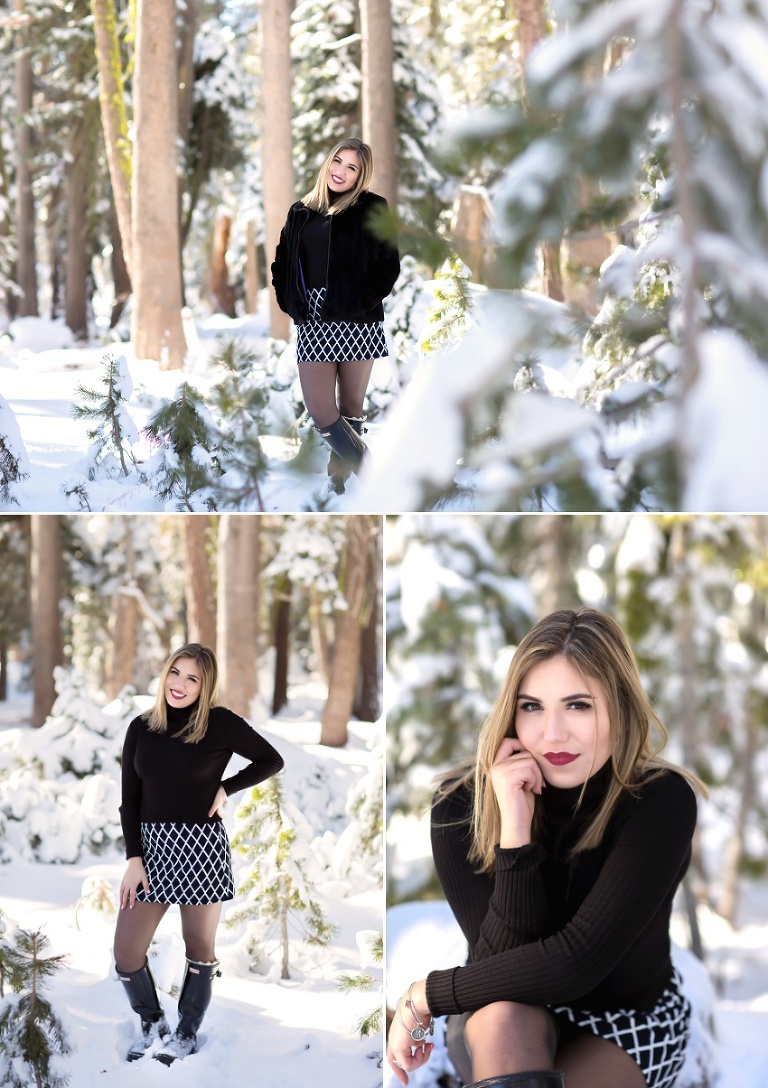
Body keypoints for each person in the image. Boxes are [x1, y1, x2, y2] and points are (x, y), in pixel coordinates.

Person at [387, 608, 707, 1088]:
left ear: (618, 708)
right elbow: (497, 966)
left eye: (578, 705)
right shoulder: (462, 806)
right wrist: (515, 829)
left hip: (629, 1019)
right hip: (504, 1011)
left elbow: (577, 961)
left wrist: (425, 995)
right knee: (501, 1020)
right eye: (532, 706)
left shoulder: (658, 800)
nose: (552, 734)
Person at [114, 643, 284, 1065]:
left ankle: (186, 1033)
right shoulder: (141, 727)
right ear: (164, 673)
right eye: (176, 672)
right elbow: (129, 800)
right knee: (126, 953)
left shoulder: (220, 724)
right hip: (150, 851)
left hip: (199, 848)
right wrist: (134, 859)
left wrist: (227, 787)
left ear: (205, 686)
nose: (180, 684)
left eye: (193, 678)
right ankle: (153, 1024)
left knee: (199, 948)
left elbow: (271, 759)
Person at [271, 137, 400, 493]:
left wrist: (360, 302)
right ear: (328, 163)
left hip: (358, 318)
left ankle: (340, 483)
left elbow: (388, 265)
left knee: (351, 408)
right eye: (337, 162)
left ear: (361, 175)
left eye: (352, 167)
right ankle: (376, 477)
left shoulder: (373, 208)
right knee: (321, 410)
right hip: (313, 320)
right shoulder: (300, 212)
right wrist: (291, 301)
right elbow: (282, 263)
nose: (341, 171)